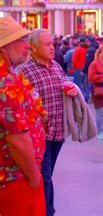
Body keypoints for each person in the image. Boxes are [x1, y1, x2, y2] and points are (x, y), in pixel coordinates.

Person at [19, 29, 79, 216]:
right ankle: (46, 212)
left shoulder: (55, 66)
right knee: (44, 177)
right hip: (38, 135)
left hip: (57, 132)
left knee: (47, 175)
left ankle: (37, 206)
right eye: (47, 44)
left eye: (52, 44)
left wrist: (71, 91)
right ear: (33, 48)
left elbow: (64, 85)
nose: (52, 47)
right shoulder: (24, 71)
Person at [0, 17, 46, 216]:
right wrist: (34, 177)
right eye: (20, 41)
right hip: (16, 179)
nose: (27, 46)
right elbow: (17, 139)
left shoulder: (11, 77)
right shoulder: (5, 84)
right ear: (3, 48)